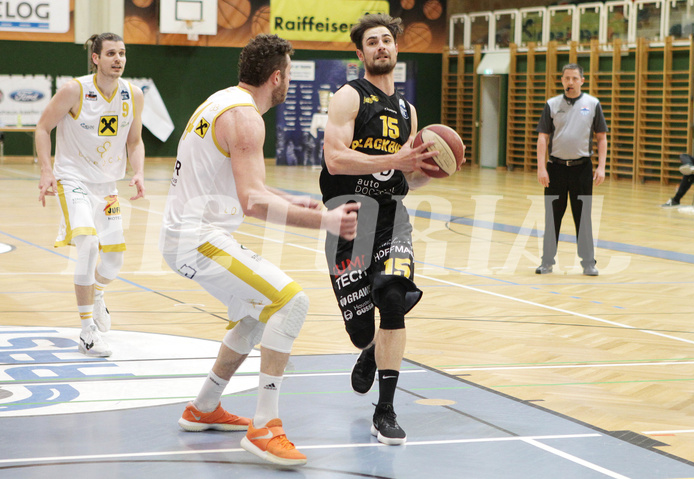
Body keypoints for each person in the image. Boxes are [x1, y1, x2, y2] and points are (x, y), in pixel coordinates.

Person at [159, 34, 359, 467]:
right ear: (277, 76)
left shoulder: (221, 101)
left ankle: (204, 407)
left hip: (191, 234)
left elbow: (244, 186)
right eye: (288, 71)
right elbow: (252, 203)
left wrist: (290, 202)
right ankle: (265, 425)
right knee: (291, 303)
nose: (289, 78)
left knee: (254, 313)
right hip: (198, 239)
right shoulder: (246, 118)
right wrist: (323, 221)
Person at [320, 13, 441, 446]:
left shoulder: (408, 110)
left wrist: (433, 166)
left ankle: (385, 409)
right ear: (360, 54)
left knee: (392, 296)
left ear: (396, 48)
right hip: (349, 217)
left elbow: (410, 177)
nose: (381, 47)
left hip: (391, 217)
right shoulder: (349, 98)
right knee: (361, 329)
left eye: (387, 40)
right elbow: (336, 159)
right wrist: (395, 161)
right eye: (372, 42)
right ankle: (370, 348)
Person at [36, 32, 145, 357]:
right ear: (96, 58)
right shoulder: (75, 90)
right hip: (73, 180)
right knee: (88, 244)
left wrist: (138, 171)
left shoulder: (133, 94)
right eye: (111, 53)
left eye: (122, 53)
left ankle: (97, 294)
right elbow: (42, 128)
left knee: (114, 260)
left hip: (107, 186)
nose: (118, 59)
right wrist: (46, 170)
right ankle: (87, 332)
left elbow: (134, 141)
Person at [535, 63, 607, 276]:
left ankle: (588, 263)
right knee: (552, 216)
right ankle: (547, 261)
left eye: (575, 78)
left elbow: (601, 138)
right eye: (567, 78)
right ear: (562, 80)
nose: (570, 82)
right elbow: (542, 138)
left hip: (582, 169)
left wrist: (602, 167)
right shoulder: (552, 104)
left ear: (582, 81)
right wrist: (541, 168)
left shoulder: (592, 104)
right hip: (555, 168)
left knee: (583, 216)